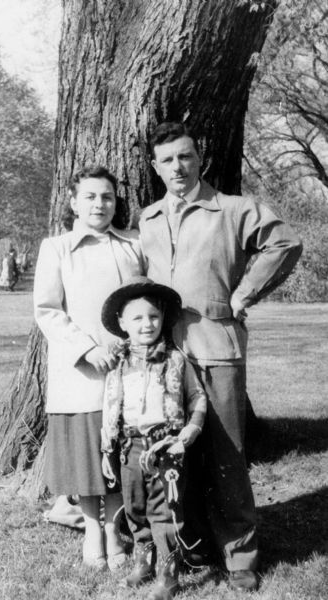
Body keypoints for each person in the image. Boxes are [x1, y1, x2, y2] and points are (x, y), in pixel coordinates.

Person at [139, 122, 303, 591]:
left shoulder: (232, 209)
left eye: (185, 156)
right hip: (164, 359)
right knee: (173, 459)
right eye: (167, 159)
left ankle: (240, 556)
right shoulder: (148, 219)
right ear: (155, 167)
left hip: (217, 350)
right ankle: (190, 547)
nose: (177, 166)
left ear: (200, 159)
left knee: (227, 457)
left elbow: (285, 242)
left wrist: (246, 292)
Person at [33, 165, 144, 571]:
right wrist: (86, 348)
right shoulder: (57, 248)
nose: (100, 204)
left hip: (128, 367)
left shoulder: (132, 244)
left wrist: (131, 342)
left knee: (117, 449)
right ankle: (93, 530)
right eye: (91, 197)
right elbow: (47, 310)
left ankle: (115, 530)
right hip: (80, 369)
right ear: (73, 201)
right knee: (88, 454)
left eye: (108, 197)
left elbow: (144, 300)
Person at [100, 276, 207, 600]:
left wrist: (188, 433)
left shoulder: (176, 360)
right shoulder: (117, 363)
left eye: (154, 317)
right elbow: (109, 406)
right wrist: (108, 448)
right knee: (134, 507)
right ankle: (143, 562)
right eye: (137, 318)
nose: (147, 324)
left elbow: (197, 397)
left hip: (166, 448)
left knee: (164, 510)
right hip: (129, 448)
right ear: (122, 323)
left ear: (163, 320)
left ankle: (168, 573)